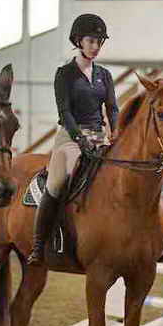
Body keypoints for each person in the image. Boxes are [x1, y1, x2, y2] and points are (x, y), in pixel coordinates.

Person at [27, 14, 118, 265]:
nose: (96, 46)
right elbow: (64, 112)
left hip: (99, 136)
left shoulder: (105, 75)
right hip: (69, 138)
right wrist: (79, 138)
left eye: (100, 42)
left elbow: (112, 107)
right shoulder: (65, 74)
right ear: (79, 41)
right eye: (91, 41)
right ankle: (38, 245)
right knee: (56, 183)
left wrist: (115, 131)